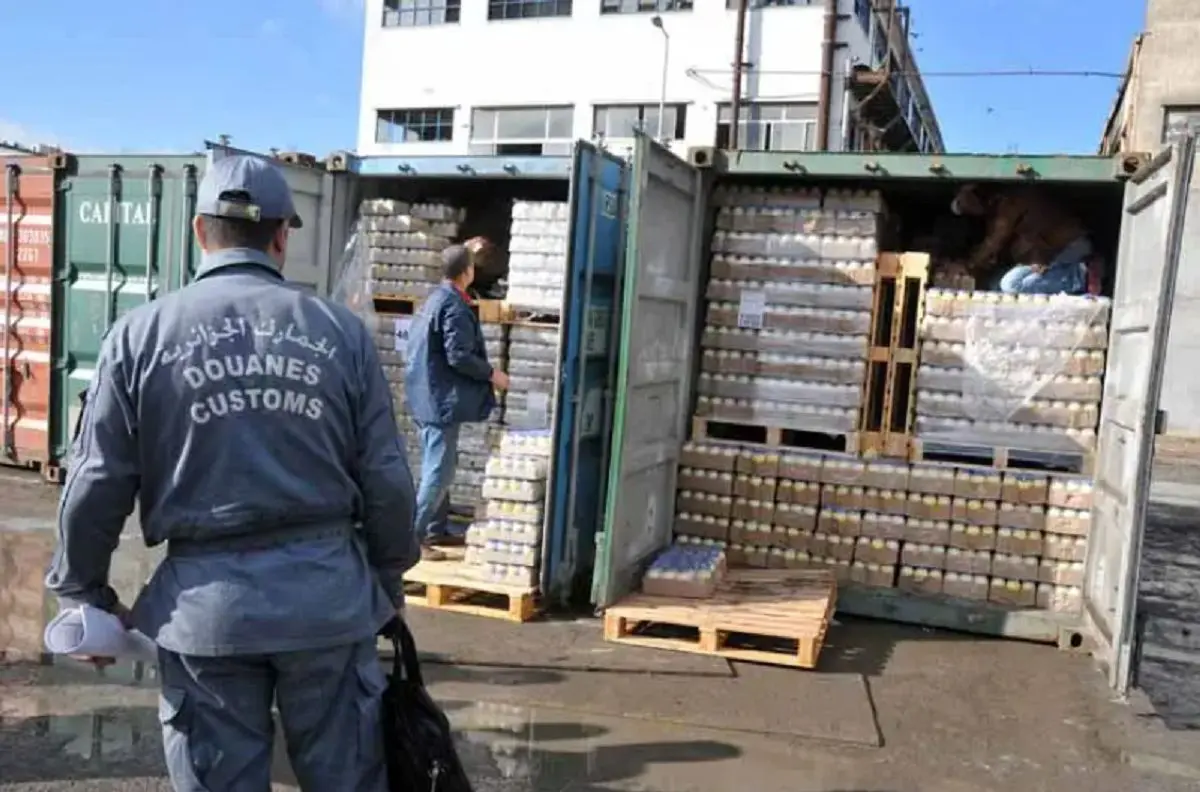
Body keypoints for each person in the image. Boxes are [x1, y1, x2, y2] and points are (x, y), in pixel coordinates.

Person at [44, 155, 418, 791]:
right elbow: (386, 475)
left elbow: (98, 480)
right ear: (281, 236)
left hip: (206, 615)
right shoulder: (340, 333)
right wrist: (382, 579)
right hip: (326, 604)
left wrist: (84, 593)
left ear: (198, 231)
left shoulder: (138, 337)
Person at [405, 243, 509, 560]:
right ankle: (410, 539)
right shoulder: (453, 306)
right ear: (467, 272)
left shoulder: (435, 300)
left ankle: (435, 530)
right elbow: (459, 355)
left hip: (425, 395)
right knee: (439, 471)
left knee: (441, 465)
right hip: (438, 401)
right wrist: (493, 374)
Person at [950, 183, 1092, 295]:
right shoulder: (993, 212)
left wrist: (969, 264)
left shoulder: (1008, 201)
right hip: (1045, 255)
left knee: (1011, 286)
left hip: (1067, 248)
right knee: (995, 286)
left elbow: (994, 241)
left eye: (967, 204)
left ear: (976, 194)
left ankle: (1080, 275)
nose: (971, 210)